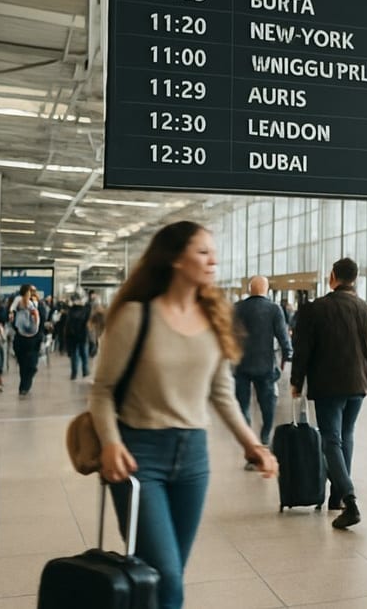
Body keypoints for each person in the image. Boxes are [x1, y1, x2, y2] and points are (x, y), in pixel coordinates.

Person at [92, 222, 278, 609]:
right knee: (168, 577)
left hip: (194, 458)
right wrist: (110, 442)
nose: (214, 259)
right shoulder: (135, 316)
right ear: (176, 259)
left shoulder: (213, 318)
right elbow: (103, 390)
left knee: (167, 574)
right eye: (203, 251)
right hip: (139, 457)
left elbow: (222, 393)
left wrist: (253, 445)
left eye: (213, 251)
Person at [290, 257, 367, 529]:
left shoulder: (316, 309)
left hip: (328, 384)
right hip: (358, 384)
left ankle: (350, 499)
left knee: (331, 438)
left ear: (332, 277)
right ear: (355, 278)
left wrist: (297, 380)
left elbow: (303, 350)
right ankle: (337, 497)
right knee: (346, 435)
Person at [233, 276, 293, 456]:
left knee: (242, 406)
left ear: (250, 289)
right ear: (266, 289)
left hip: (241, 365)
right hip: (265, 365)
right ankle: (265, 437)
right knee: (268, 404)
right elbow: (283, 335)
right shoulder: (274, 309)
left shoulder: (237, 308)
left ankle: (249, 441)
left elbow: (229, 334)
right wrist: (288, 353)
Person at [9, 285, 43, 397]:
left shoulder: (37, 304)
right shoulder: (17, 303)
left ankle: (25, 385)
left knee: (31, 364)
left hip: (34, 338)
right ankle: (23, 386)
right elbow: (11, 317)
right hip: (21, 338)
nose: (29, 295)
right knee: (23, 364)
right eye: (28, 293)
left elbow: (42, 317)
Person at [64, 292, 93, 381]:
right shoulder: (86, 310)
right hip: (82, 335)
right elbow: (88, 323)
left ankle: (74, 373)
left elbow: (68, 324)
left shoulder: (71, 310)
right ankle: (84, 371)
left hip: (74, 335)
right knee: (83, 354)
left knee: (75, 355)